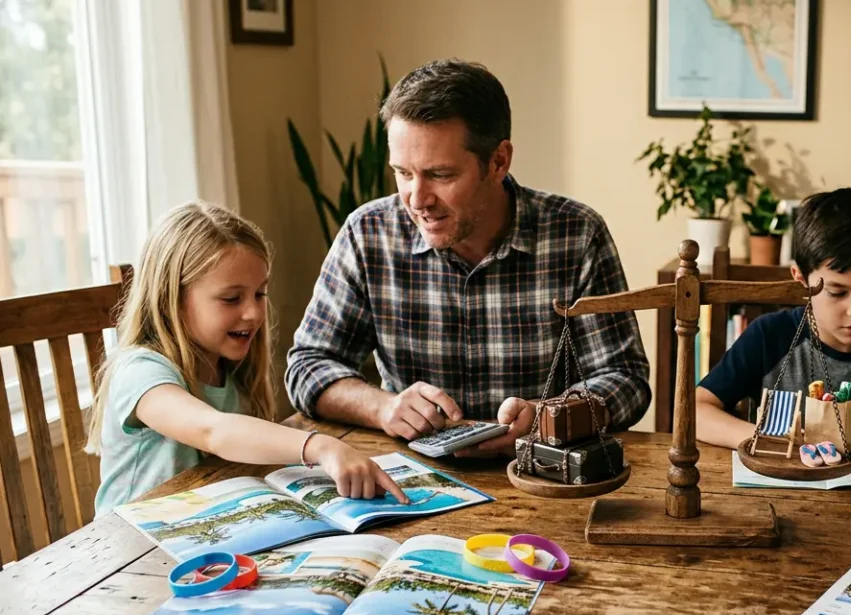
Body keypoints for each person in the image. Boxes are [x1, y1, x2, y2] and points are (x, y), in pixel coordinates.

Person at [286, 59, 650, 453]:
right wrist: (384, 407)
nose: (417, 199)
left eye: (440, 175)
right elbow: (308, 365)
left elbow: (624, 377)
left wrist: (546, 418)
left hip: (543, 475)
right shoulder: (368, 233)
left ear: (498, 162)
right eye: (403, 173)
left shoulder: (576, 234)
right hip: (412, 483)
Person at [89, 202, 407, 518]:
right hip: (131, 551)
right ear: (171, 297)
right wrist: (322, 447)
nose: (254, 313)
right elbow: (212, 431)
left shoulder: (230, 370)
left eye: (260, 294)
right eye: (231, 298)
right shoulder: (140, 371)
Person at [695, 188, 851, 452]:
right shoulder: (769, 337)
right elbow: (695, 411)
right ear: (801, 278)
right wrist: (766, 438)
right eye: (837, 292)